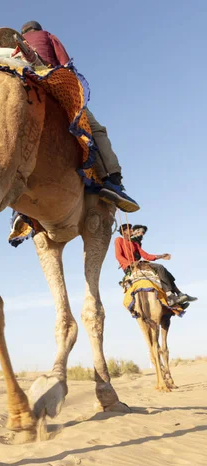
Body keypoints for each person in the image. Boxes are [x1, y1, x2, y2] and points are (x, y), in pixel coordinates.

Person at [20, 21, 139, 213]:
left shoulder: (11, 46)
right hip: (51, 81)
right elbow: (66, 64)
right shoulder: (48, 36)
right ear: (38, 30)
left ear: (22, 33)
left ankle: (20, 213)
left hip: (25, 88)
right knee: (94, 130)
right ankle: (112, 180)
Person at [115, 223, 197, 306]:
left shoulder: (135, 244)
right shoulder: (119, 240)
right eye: (130, 229)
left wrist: (161, 256)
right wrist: (130, 264)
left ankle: (178, 293)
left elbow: (146, 255)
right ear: (124, 231)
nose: (132, 230)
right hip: (129, 266)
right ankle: (170, 295)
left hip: (138, 264)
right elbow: (118, 255)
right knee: (159, 267)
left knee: (164, 270)